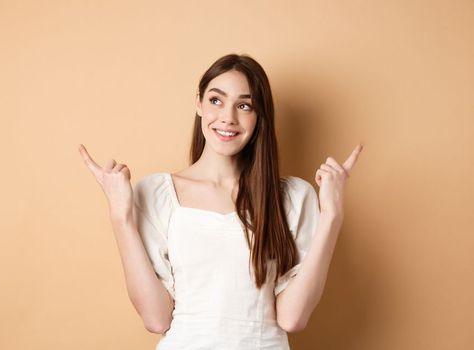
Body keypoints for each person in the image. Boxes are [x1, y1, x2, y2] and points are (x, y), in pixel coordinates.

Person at [77, 53, 363, 349]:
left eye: (244, 105)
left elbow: (292, 318)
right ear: (199, 103)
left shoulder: (292, 198)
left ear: (259, 116)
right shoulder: (157, 194)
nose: (228, 117)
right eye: (216, 100)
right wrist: (120, 216)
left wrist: (332, 216)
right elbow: (156, 318)